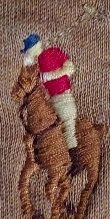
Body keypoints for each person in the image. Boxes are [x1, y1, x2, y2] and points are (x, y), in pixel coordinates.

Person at [21, 34, 79, 169]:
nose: (29, 53)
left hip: (62, 99)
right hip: (56, 99)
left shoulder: (49, 55)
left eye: (29, 50)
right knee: (63, 129)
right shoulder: (40, 62)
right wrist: (62, 71)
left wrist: (63, 70)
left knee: (66, 130)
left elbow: (66, 66)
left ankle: (73, 161)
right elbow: (43, 77)